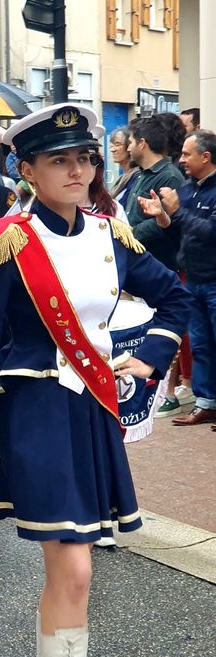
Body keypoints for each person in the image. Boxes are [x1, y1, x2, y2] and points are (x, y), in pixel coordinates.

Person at [0, 104, 190, 657]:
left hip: (91, 409)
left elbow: (174, 297)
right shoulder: (6, 238)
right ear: (26, 169)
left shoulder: (109, 233)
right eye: (60, 159)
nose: (77, 168)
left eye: (85, 157)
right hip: (33, 411)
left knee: (76, 566)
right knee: (78, 566)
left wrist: (148, 358)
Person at [138, 129, 216, 428]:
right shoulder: (186, 189)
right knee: (199, 345)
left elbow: (210, 233)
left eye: (187, 154)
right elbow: (176, 230)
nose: (181, 159)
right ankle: (206, 403)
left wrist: (177, 212)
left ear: (205, 157)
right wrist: (161, 216)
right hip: (192, 278)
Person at [124, 113, 185, 271]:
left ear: (142, 143)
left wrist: (127, 234)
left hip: (157, 265)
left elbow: (165, 221)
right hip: (138, 261)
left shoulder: (170, 177)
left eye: (130, 142)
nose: (128, 148)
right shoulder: (142, 174)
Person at [108, 126, 140, 205]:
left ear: (129, 146)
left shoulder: (136, 178)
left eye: (118, 144)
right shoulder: (123, 178)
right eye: (112, 145)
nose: (112, 149)